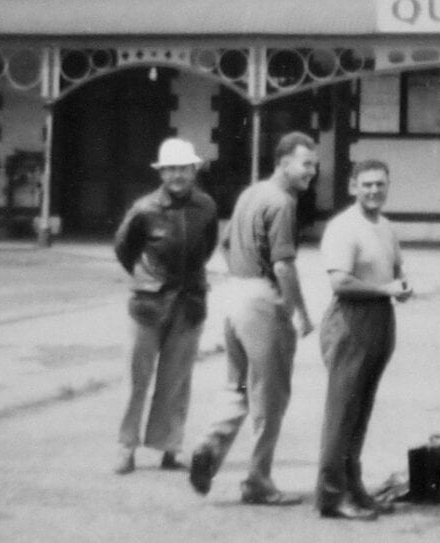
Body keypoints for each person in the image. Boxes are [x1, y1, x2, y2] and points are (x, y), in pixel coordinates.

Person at [187, 131, 318, 506]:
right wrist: (300, 313)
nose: (312, 171)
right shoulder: (282, 203)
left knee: (238, 387)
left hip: (235, 294)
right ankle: (258, 480)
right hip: (262, 300)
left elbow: (226, 245)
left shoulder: (251, 193)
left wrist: (242, 281)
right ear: (283, 162)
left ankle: (209, 447)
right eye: (305, 164)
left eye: (314, 163)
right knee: (271, 397)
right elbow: (284, 266)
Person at [111, 137, 220, 475]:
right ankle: (126, 447)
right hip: (149, 305)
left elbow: (207, 246)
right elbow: (123, 248)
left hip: (189, 303)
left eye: (184, 168)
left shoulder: (206, 207)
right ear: (161, 173)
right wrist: (147, 278)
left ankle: (169, 447)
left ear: (194, 170)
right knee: (137, 378)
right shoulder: (144, 209)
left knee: (176, 380)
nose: (178, 175)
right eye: (171, 168)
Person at [315, 159, 412, 520]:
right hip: (351, 320)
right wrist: (384, 288)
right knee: (342, 413)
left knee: (361, 411)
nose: (374, 191)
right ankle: (331, 496)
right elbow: (340, 282)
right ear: (352, 186)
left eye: (380, 185)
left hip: (380, 318)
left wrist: (401, 285)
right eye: (367, 184)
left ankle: (354, 489)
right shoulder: (343, 227)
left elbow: (396, 269)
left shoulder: (385, 227)